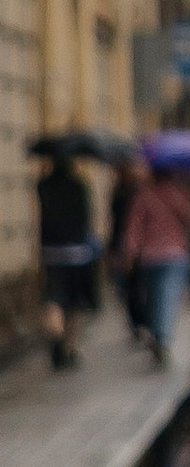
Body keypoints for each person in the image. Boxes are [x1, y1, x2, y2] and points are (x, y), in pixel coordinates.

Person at [116, 156, 190, 365]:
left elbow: (133, 228)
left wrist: (129, 254)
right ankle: (162, 337)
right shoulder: (177, 194)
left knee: (153, 297)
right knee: (168, 296)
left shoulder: (143, 196)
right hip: (174, 255)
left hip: (149, 256)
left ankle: (158, 334)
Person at [36, 154, 101, 369]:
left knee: (53, 298)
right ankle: (69, 348)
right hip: (77, 253)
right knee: (75, 303)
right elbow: (88, 220)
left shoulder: (43, 186)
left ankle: (55, 334)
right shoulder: (80, 186)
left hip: (51, 251)